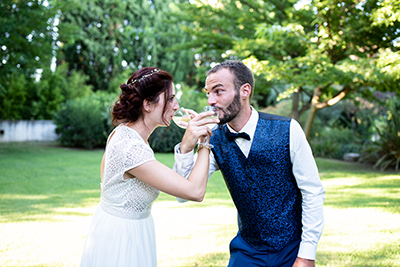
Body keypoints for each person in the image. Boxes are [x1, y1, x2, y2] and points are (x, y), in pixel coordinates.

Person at [173, 60, 325, 267]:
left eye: (218, 92)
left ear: (244, 91)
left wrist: (307, 254)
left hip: (292, 248)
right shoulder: (212, 140)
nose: (210, 101)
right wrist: (186, 148)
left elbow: (312, 192)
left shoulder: (289, 130)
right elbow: (183, 196)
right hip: (246, 251)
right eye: (208, 93)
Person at [80, 67, 219, 267]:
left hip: (132, 230)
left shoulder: (128, 135)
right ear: (147, 104)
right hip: (121, 239)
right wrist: (204, 142)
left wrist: (187, 146)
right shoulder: (129, 147)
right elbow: (194, 191)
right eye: (170, 99)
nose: (176, 105)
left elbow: (176, 186)